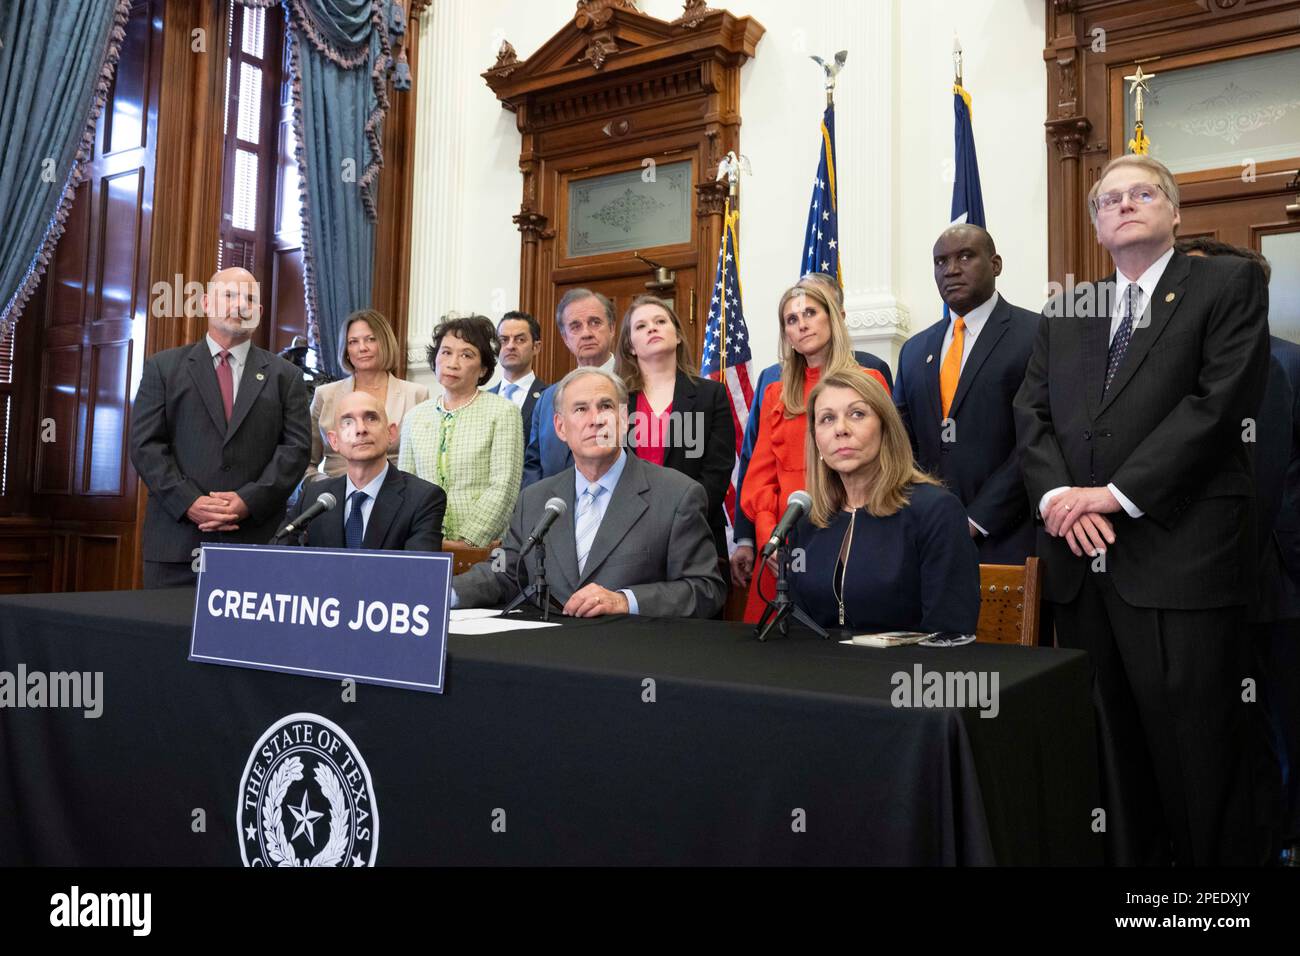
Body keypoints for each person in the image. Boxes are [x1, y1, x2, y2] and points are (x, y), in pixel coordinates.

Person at [1014, 154, 1271, 866]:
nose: (1125, 204)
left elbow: (1216, 407)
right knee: (1107, 757)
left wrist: (1115, 495)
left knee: (1198, 758)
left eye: (1142, 193)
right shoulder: (1066, 310)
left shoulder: (1227, 282)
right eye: (1109, 199)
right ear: (1097, 224)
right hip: (1081, 569)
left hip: (1179, 563)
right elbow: (1030, 413)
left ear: (1175, 212)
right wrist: (1061, 497)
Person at [1175, 236, 1300, 864]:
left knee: (1274, 719)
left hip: (1268, 579)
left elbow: (1277, 473)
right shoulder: (1176, 369)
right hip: (1195, 587)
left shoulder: (1278, 363)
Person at [453, 367, 726, 618]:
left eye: (605, 406)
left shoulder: (677, 494)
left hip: (632, 656)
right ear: (560, 427)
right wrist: (444, 592)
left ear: (624, 420)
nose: (595, 420)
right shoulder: (535, 499)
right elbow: (504, 572)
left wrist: (625, 601)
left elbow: (705, 589)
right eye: (581, 409)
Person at [130, 267, 310, 587]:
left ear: (259, 312)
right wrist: (189, 502)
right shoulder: (164, 368)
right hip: (177, 545)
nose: (239, 305)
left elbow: (295, 450)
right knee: (169, 637)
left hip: (257, 544)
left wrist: (249, 501)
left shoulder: (286, 376)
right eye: (229, 295)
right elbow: (146, 446)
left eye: (250, 299)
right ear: (206, 303)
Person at [739, 274, 891, 622]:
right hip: (785, 535)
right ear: (787, 334)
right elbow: (760, 477)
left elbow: (887, 465)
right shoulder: (776, 392)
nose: (802, 325)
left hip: (850, 529)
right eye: (791, 319)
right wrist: (769, 535)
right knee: (775, 652)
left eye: (810, 313)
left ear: (832, 319)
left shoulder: (871, 381)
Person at [789, 369, 979, 633]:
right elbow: (795, 626)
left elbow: (949, 632)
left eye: (857, 414)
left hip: (905, 672)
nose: (841, 429)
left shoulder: (936, 512)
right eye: (827, 419)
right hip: (819, 671)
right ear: (816, 440)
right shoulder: (806, 520)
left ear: (885, 427)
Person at [894, 224, 1040, 564]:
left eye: (965, 256)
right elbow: (901, 443)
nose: (952, 270)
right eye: (940, 262)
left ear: (996, 264)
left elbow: (1037, 441)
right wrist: (926, 514)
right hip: (926, 538)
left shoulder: (1036, 334)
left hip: (1008, 541)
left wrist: (975, 520)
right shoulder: (915, 350)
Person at [616, 295, 735, 561]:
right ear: (630, 346)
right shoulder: (616, 400)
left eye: (660, 321)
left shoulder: (710, 395)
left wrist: (680, 517)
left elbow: (717, 472)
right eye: (641, 326)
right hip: (626, 535)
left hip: (695, 532)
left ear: (678, 336)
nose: (652, 328)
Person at [398, 316, 522, 549]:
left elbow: (504, 487)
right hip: (423, 542)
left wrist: (468, 541)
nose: (453, 363)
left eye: (466, 355)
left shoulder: (503, 412)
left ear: (483, 368)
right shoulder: (415, 416)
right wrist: (423, 538)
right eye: (445, 352)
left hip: (483, 547)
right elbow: (405, 486)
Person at [285, 391, 446, 551]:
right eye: (348, 422)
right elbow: (279, 557)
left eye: (371, 418)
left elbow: (419, 573)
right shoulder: (313, 497)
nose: (361, 429)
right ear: (334, 441)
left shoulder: (423, 498)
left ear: (391, 433)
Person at [306, 310, 428, 480]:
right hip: (335, 495)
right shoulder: (325, 395)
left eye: (370, 339)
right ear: (346, 350)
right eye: (353, 342)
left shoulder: (416, 395)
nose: (362, 348)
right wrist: (324, 487)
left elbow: (424, 462)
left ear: (385, 343)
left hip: (396, 494)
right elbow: (305, 462)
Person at [522, 289, 617, 486]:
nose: (587, 333)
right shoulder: (548, 399)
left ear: (612, 328)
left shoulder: (635, 388)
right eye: (575, 326)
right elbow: (533, 466)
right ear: (565, 338)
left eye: (595, 322)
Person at [488, 310, 548, 449]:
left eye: (520, 340)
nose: (510, 346)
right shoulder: (483, 399)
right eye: (504, 340)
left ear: (536, 347)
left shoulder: (550, 397)